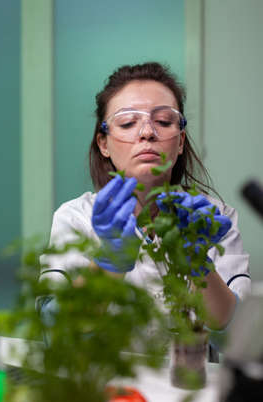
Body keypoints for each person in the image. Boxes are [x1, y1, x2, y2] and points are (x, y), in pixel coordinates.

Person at [39, 62, 251, 348]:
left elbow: (230, 327)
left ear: (180, 142)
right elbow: (57, 325)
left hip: (190, 383)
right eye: (127, 123)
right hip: (105, 385)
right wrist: (110, 260)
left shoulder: (213, 217)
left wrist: (199, 265)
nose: (147, 133)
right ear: (103, 143)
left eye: (163, 121)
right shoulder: (75, 217)